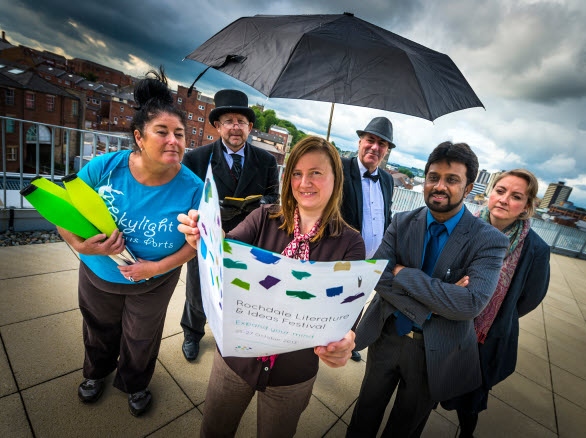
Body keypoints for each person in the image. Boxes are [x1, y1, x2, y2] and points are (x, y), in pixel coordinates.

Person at [178, 136, 364, 437]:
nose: (304, 182)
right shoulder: (264, 217)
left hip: (294, 373)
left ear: (336, 179)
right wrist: (206, 236)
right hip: (235, 359)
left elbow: (348, 309)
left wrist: (346, 340)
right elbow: (227, 248)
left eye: (316, 172)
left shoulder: (351, 243)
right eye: (297, 173)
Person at [56, 67, 203, 416]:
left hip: (154, 281)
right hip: (99, 275)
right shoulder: (105, 168)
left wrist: (155, 267)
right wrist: (80, 245)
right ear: (139, 137)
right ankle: (95, 375)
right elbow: (62, 212)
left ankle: (135, 383)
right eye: (162, 132)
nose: (174, 141)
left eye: (180, 134)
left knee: (141, 337)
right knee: (99, 330)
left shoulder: (195, 188)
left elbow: (194, 246)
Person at [346, 141, 509, 437]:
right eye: (434, 177)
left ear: (469, 187)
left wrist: (403, 273)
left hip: (436, 350)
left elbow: (470, 304)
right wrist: (439, 299)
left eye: (452, 179)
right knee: (364, 415)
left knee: (405, 427)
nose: (440, 186)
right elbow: (377, 276)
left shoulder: (489, 240)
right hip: (387, 335)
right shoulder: (402, 221)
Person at [440, 169, 551, 438]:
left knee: (470, 399)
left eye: (515, 196)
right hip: (446, 324)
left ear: (526, 206)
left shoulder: (536, 249)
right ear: (489, 193)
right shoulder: (461, 227)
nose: (503, 199)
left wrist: (494, 313)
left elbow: (529, 298)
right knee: (429, 382)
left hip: (485, 338)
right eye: (500, 191)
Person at [179, 89, 280, 361]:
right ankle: (192, 333)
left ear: (250, 127)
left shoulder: (267, 161)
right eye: (229, 121)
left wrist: (260, 205)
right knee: (198, 290)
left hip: (247, 240)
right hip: (207, 237)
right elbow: (186, 200)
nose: (236, 127)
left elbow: (274, 197)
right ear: (217, 126)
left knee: (239, 291)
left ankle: (231, 333)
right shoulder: (196, 159)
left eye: (241, 122)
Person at [341, 116, 395, 362]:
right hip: (340, 257)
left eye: (382, 144)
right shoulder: (340, 168)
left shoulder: (387, 179)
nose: (375, 147)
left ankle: (349, 341)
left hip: (371, 260)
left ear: (387, 151)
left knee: (358, 301)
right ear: (360, 141)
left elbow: (387, 215)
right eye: (370, 140)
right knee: (330, 299)